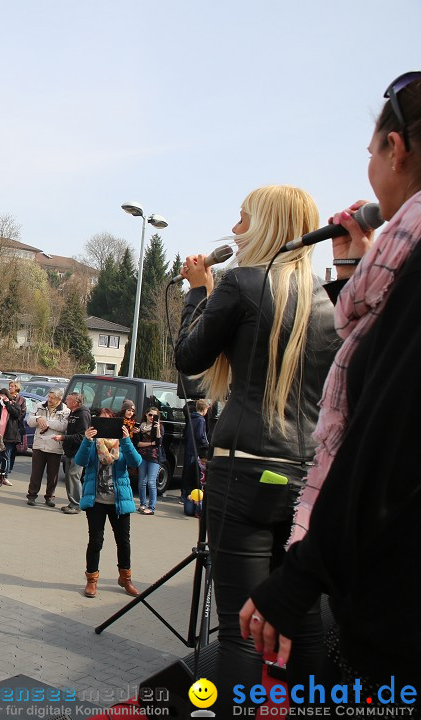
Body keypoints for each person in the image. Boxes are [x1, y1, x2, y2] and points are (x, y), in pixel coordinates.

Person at [242, 73, 421, 692]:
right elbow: (376, 349)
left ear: (396, 149)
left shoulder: (245, 288)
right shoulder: (396, 261)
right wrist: (356, 262)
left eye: (372, 152)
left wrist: (300, 575)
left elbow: (384, 432)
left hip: (395, 599)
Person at [174, 184, 337, 704]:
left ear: (265, 227)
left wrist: (198, 291)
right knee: (304, 624)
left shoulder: (241, 284)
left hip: (241, 473)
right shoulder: (330, 300)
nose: (235, 229)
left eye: (243, 220)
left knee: (240, 632)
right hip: (303, 479)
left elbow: (188, 358)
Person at [74, 409, 141, 598]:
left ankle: (125, 578)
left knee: (123, 541)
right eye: (100, 422)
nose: (105, 427)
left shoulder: (121, 443)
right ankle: (92, 580)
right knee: (95, 541)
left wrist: (127, 440)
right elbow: (80, 461)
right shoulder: (92, 443)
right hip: (96, 500)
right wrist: (87, 441)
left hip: (119, 500)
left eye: (108, 422)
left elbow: (136, 461)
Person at [25, 389, 68, 507]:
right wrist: (38, 419)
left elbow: (63, 426)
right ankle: (32, 495)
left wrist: (47, 422)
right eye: (49, 397)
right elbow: (30, 421)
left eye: (52, 398)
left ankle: (50, 497)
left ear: (59, 399)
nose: (49, 399)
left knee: (53, 475)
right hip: (39, 444)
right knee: (36, 473)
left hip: (55, 446)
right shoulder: (39, 406)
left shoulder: (65, 410)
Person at [60, 392, 92, 514]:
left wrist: (64, 438)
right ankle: (72, 503)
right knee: (69, 476)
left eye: (68, 400)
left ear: (75, 403)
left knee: (74, 476)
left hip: (78, 452)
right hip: (70, 451)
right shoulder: (73, 413)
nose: (65, 401)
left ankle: (76, 504)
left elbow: (81, 436)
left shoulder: (83, 414)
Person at [134, 406, 163, 515]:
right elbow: (138, 443)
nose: (152, 417)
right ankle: (142, 504)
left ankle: (151, 507)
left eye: (155, 416)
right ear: (146, 415)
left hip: (154, 457)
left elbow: (159, 443)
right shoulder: (141, 427)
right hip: (142, 456)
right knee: (142, 482)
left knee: (151, 482)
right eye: (150, 415)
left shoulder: (158, 427)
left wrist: (158, 429)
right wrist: (151, 443)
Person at [180, 399, 210, 504]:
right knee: (194, 472)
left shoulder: (191, 418)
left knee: (187, 471)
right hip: (196, 449)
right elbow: (200, 435)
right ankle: (191, 495)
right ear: (205, 409)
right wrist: (206, 445)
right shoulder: (201, 420)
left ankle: (183, 495)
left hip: (188, 448)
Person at [0, 380, 27, 475]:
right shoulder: (5, 398)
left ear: (16, 388)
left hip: (15, 429)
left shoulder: (21, 400)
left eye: (12, 386)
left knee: (11, 452)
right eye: (9, 386)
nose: (10, 387)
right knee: (0, 452)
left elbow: (21, 414)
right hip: (4, 428)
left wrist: (12, 418)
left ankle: (7, 471)